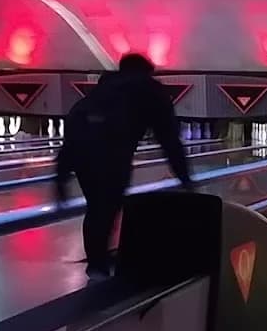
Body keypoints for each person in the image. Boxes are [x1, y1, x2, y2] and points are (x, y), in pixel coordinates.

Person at [56, 53, 192, 278]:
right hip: (113, 151)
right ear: (147, 71)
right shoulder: (149, 89)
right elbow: (168, 139)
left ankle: (97, 263)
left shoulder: (103, 87)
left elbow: (74, 131)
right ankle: (101, 265)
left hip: (81, 151)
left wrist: (60, 178)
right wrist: (185, 178)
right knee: (107, 206)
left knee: (97, 206)